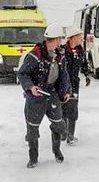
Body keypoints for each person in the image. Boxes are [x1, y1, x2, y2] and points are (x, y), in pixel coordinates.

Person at [18, 25, 71, 168]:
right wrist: (31, 87)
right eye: (58, 40)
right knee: (32, 130)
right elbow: (22, 74)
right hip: (36, 98)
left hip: (52, 96)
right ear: (50, 40)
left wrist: (66, 91)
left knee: (59, 125)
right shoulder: (35, 55)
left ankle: (56, 149)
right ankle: (33, 157)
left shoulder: (59, 55)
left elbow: (64, 76)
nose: (60, 43)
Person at [62, 27, 91, 145]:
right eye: (79, 36)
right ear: (73, 37)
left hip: (74, 84)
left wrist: (87, 75)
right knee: (62, 108)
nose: (81, 38)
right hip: (62, 85)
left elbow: (84, 64)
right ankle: (63, 133)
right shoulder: (62, 51)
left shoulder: (80, 50)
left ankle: (70, 136)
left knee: (73, 110)